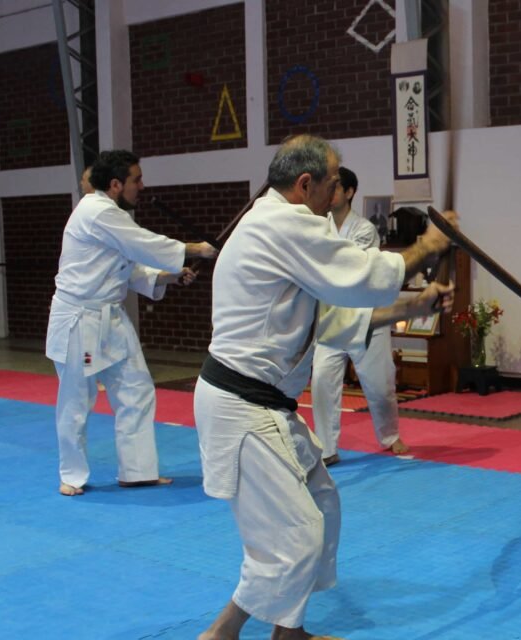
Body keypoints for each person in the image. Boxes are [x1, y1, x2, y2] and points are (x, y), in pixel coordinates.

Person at [194, 134, 455, 640]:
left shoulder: (283, 227)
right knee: (296, 533)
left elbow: (331, 319)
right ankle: (221, 634)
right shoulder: (283, 223)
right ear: (306, 183)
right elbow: (358, 276)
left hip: (263, 403)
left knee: (321, 506)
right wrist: (427, 246)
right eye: (334, 183)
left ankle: (288, 630)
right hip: (241, 405)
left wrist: (411, 308)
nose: (339, 193)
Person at [46, 150, 218, 497]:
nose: (142, 186)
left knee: (137, 389)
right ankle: (72, 475)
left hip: (110, 316)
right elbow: (143, 244)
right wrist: (196, 249)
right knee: (77, 401)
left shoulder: (113, 216)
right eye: (136, 180)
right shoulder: (97, 212)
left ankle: (137, 471)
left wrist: (171, 277)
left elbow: (130, 266)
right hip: (79, 319)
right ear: (115, 185)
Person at [310, 166, 408, 467]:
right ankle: (326, 448)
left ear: (349, 192)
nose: (330, 192)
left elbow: (345, 268)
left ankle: (390, 435)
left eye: (335, 187)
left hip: (367, 319)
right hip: (331, 319)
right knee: (322, 382)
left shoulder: (365, 229)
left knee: (379, 387)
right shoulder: (317, 226)